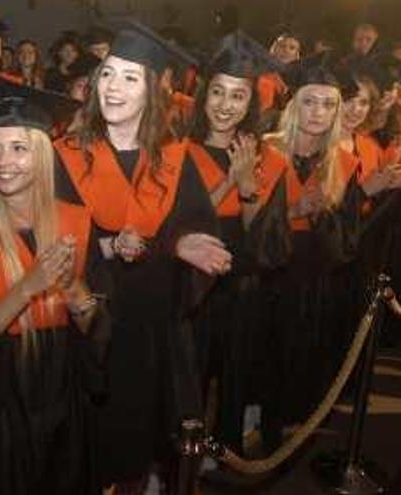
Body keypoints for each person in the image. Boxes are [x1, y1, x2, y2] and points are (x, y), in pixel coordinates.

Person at [53, 19, 226, 492]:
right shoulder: (65, 156)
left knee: (136, 444)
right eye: (108, 74)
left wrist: (177, 245)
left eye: (130, 78)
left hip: (151, 330)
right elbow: (49, 245)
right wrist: (109, 246)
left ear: (152, 90)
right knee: (87, 448)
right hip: (89, 330)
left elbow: (188, 225)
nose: (113, 87)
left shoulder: (173, 158)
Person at [0, 81, 107, 495]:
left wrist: (72, 287)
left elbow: (98, 330)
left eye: (18, 147)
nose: (3, 162)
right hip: (3, 406)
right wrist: (27, 287)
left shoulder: (77, 222)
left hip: (65, 394)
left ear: (41, 155)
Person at [181, 31, 291, 454]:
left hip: (241, 286)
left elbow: (261, 240)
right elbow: (183, 224)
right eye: (218, 92)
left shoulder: (264, 156)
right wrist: (230, 179)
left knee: (234, 374)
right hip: (190, 286)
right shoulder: (180, 151)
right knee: (188, 377)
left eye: (238, 96)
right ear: (203, 94)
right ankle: (183, 460)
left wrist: (247, 190)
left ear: (251, 104)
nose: (226, 105)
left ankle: (227, 451)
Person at [260, 53, 363, 451]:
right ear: (292, 103)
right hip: (267, 274)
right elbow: (244, 227)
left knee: (299, 361)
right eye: (309, 100)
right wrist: (292, 212)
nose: (318, 112)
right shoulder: (265, 151)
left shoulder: (344, 164)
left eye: (328, 104)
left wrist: (319, 216)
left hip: (312, 279)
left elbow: (349, 243)